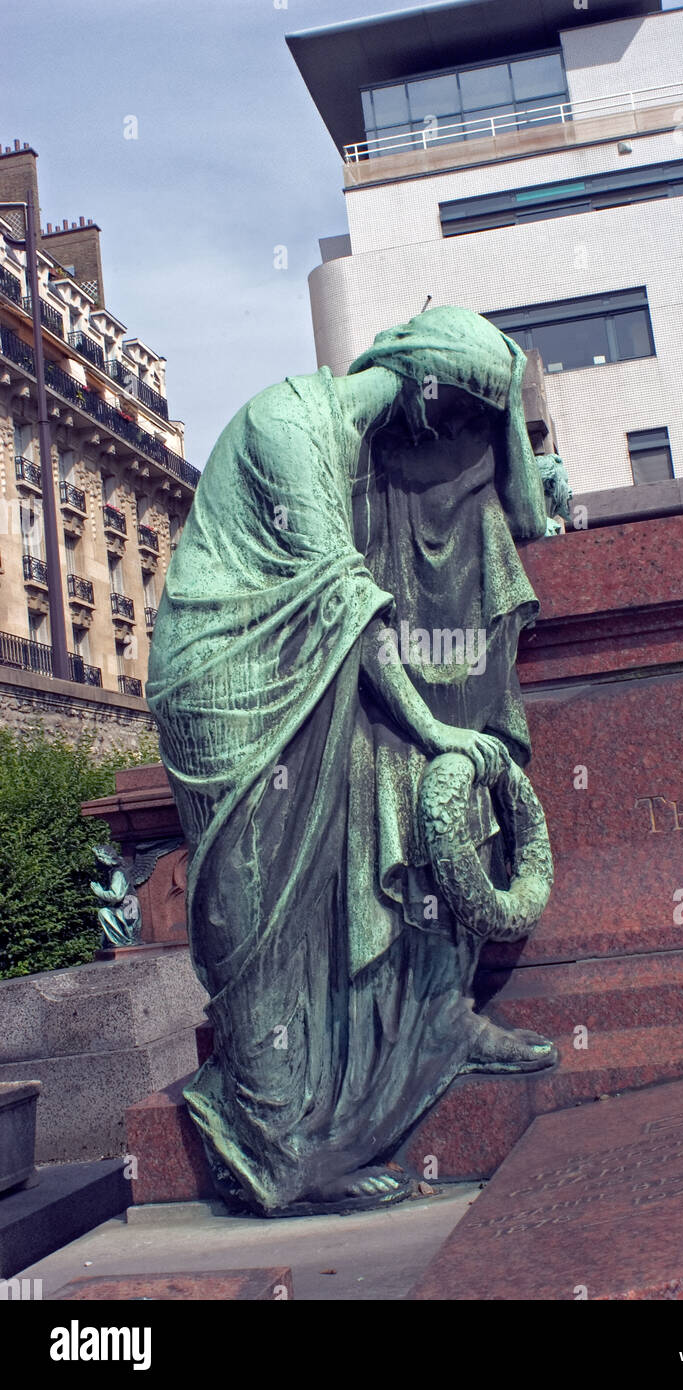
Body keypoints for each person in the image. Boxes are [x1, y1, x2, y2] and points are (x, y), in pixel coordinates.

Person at [147, 306, 558, 1216]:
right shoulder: (291, 423)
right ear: (426, 392)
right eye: (455, 418)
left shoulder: (364, 447)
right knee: (254, 909)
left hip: (299, 672)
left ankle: (414, 1037)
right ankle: (271, 1141)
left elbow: (446, 516)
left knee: (316, 892)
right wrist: (436, 729)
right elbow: (347, 597)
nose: (451, 441)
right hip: (226, 676)